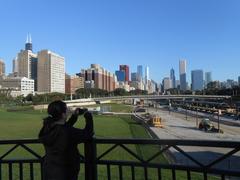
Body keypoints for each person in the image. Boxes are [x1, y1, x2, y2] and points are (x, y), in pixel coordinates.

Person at [39, 100, 94, 180]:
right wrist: (88, 116)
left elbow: (61, 128)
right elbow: (88, 133)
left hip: (49, 170)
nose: (68, 111)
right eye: (66, 110)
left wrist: (74, 116)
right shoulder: (67, 132)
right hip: (66, 172)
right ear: (63, 114)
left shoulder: (47, 128)